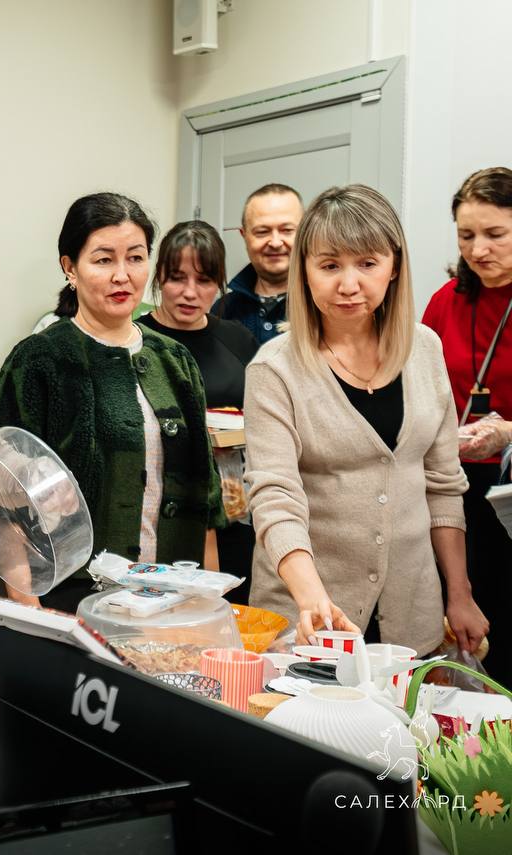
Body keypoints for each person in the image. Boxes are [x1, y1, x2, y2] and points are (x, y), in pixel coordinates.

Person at [245, 184, 487, 657]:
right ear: (305, 271)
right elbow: (275, 497)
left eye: (368, 263)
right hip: (308, 620)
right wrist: (310, 597)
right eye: (330, 265)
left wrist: (459, 594)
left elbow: (442, 484)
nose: (349, 284)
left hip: (411, 619)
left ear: (394, 266)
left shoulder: (425, 350)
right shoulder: (275, 368)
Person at [0, 193, 225, 614]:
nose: (123, 275)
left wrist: (209, 604)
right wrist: (28, 609)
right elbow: (5, 502)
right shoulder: (39, 360)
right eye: (103, 260)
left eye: (135, 258)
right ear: (69, 267)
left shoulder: (175, 361)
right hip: (73, 601)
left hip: (173, 601)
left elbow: (205, 502)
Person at [422, 166, 512, 682]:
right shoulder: (446, 299)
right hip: (449, 486)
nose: (479, 249)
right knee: (451, 628)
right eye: (467, 235)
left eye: (495, 234)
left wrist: (507, 433)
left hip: (508, 489)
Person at [137, 221, 258, 595]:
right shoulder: (137, 339)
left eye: (205, 280)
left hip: (233, 509)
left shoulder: (237, 339)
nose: (190, 293)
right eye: (177, 278)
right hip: (159, 513)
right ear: (158, 277)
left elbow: (267, 419)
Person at [213, 184, 304, 344]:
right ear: (244, 235)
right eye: (262, 232)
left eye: (287, 230)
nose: (275, 242)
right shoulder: (223, 310)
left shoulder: (325, 304)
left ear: (304, 232)